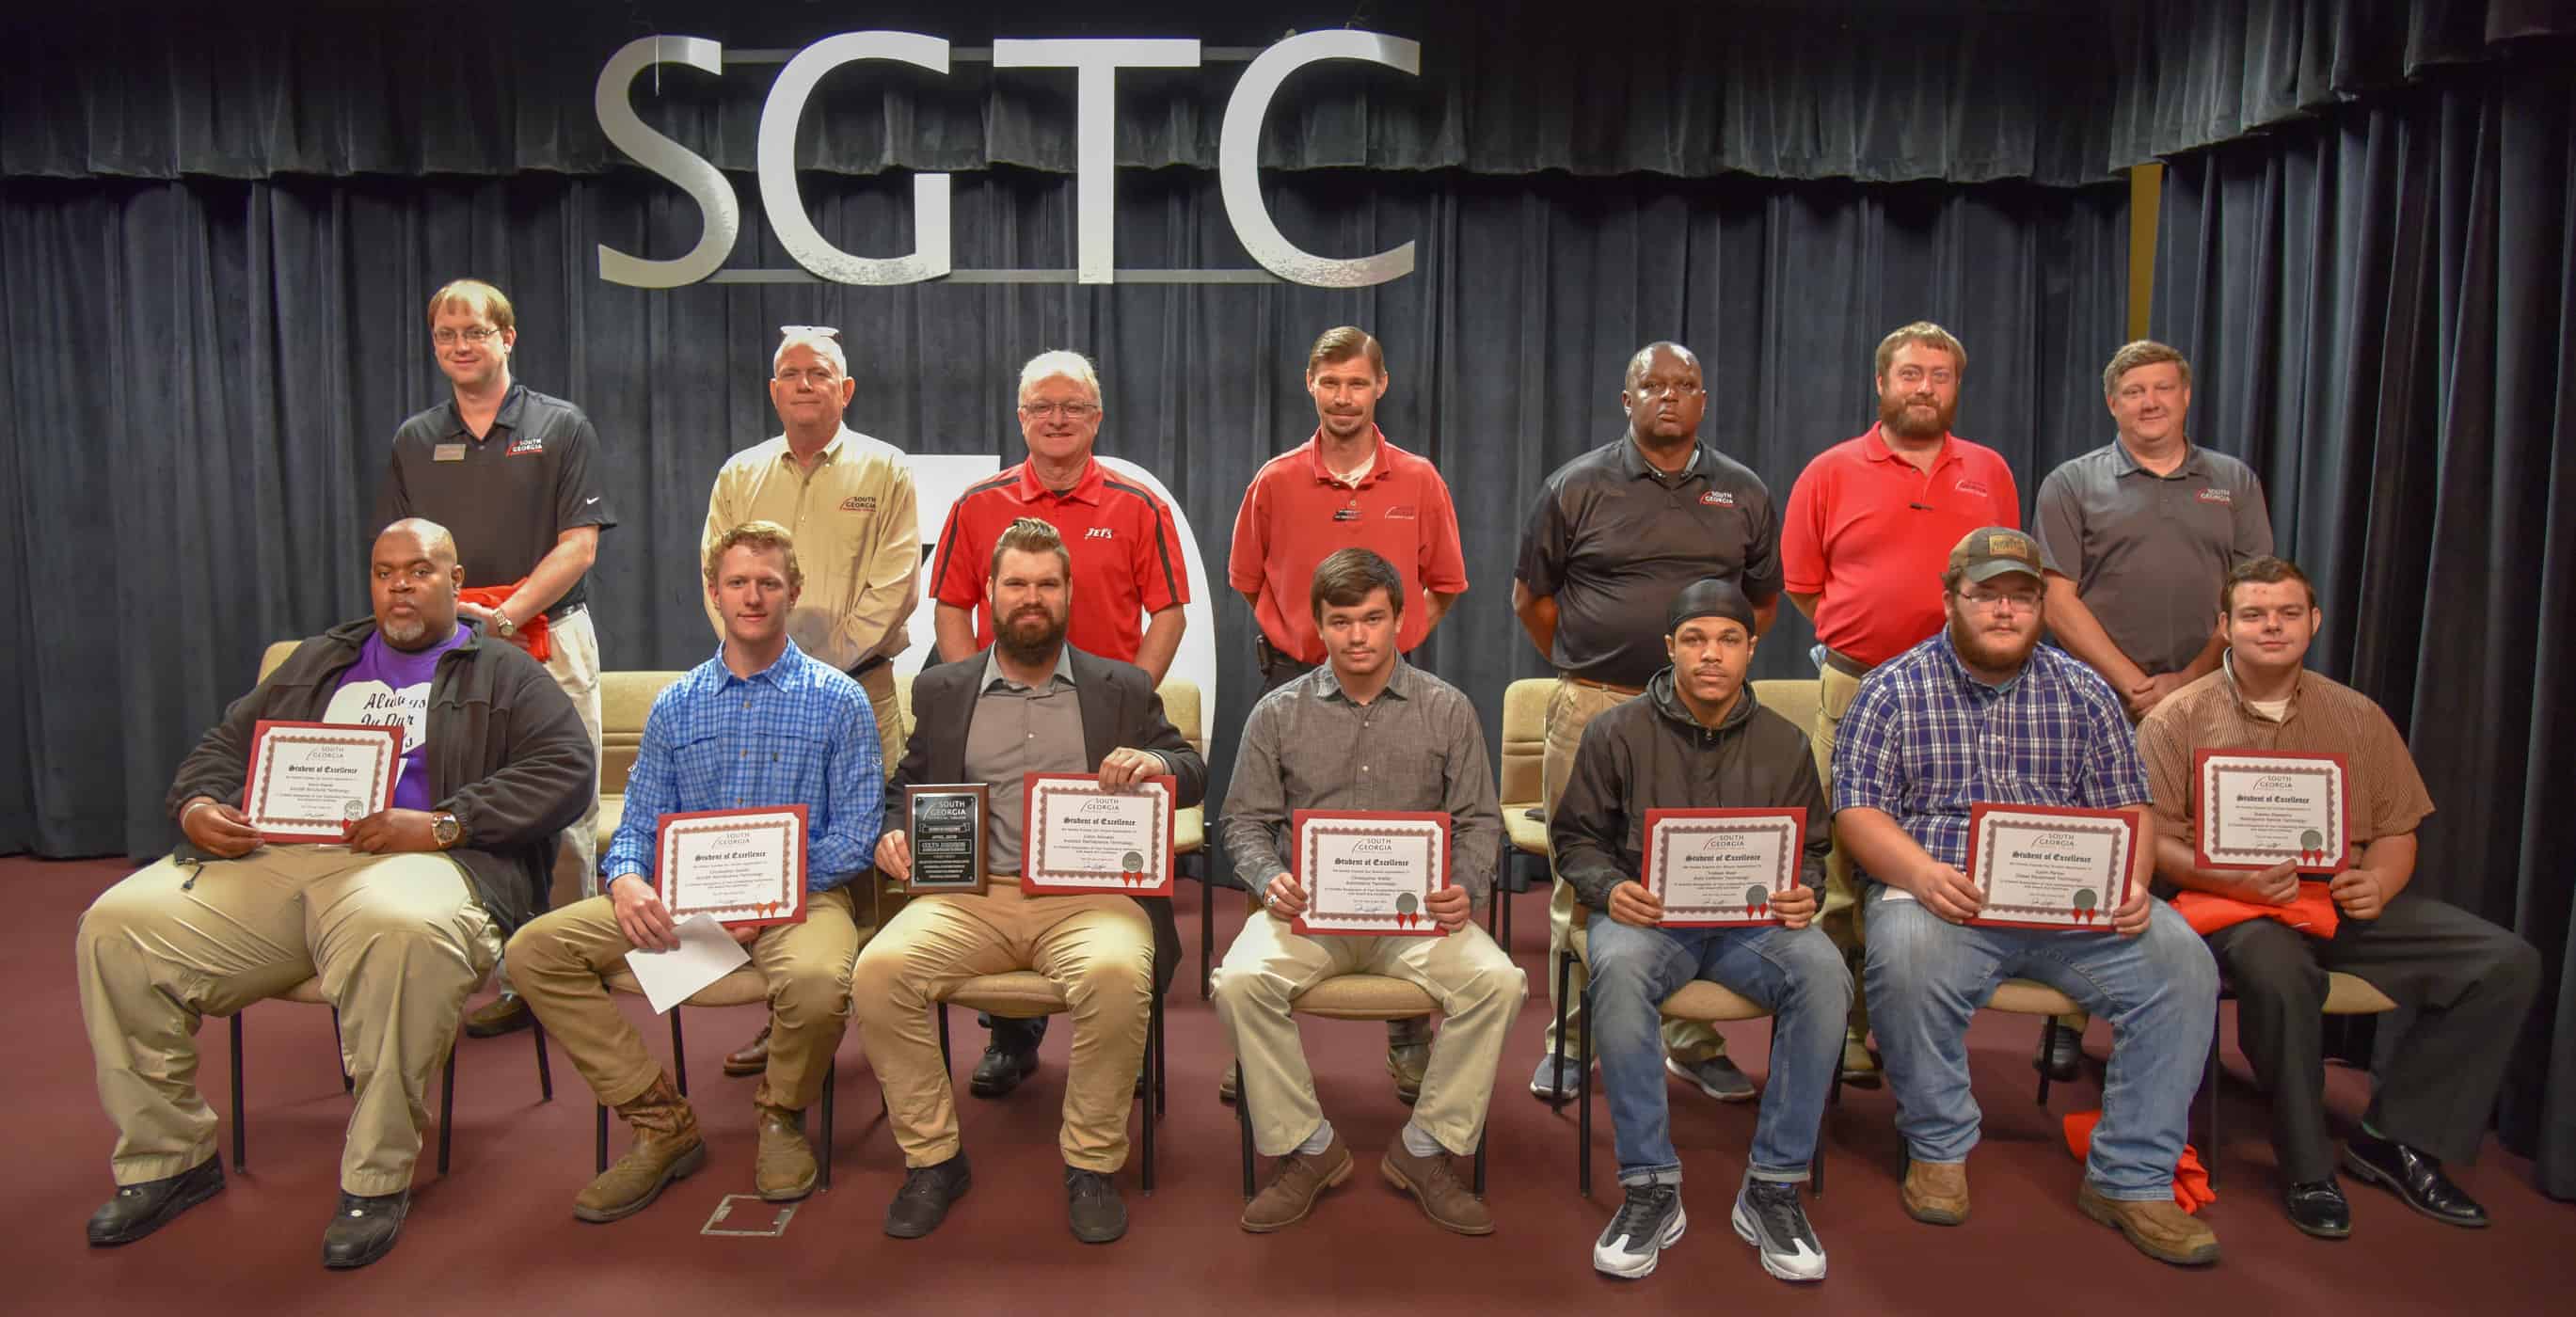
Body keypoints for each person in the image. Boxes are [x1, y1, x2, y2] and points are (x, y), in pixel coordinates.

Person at [76, 519, 593, 1269]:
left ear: (456, 580)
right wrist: (197, 806)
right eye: (385, 573)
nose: (401, 586)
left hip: (427, 863)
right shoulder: (321, 660)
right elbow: (224, 746)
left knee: (397, 929)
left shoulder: (501, 671)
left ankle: (376, 1177)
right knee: (117, 924)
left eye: (419, 571)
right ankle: (168, 1158)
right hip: (279, 859)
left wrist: (447, 822)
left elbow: (566, 771)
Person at [1834, 526, 2220, 1266]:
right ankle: (1939, 1148)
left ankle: (2132, 1178)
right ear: (1951, 599)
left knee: (2183, 964)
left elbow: (2128, 807)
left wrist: (2132, 883)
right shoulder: (1893, 687)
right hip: (1948, 892)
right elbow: (1859, 811)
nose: (2005, 611)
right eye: (1987, 595)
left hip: (2073, 904)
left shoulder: (2084, 691)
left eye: (2022, 597)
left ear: (2041, 606)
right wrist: (1918, 873)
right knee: (1905, 953)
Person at [2138, 555, 2539, 1238]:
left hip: (2338, 897)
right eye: (2256, 614)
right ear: (2225, 626)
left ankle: (2395, 1138)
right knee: (2276, 969)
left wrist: (2379, 882)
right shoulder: (2177, 719)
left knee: (2505, 962)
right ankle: (2307, 1166)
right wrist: (2227, 878)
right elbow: (2152, 841)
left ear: (2313, 623)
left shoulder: (2357, 716)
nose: (2273, 626)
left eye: (2288, 613)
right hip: (2232, 905)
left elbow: (2397, 829)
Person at [507, 521, 884, 1221]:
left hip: (801, 901)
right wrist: (626, 879)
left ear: (793, 593)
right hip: (688, 906)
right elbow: (639, 824)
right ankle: (661, 1124)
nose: (752, 596)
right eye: (737, 582)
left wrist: (770, 898)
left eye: (768, 583)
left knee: (815, 980)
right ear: (714, 594)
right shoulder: (677, 705)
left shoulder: (840, 699)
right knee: (536, 951)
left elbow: (857, 835)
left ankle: (779, 1115)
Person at [854, 517, 1207, 1244]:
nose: (1031, 598)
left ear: (1071, 592)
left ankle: (1090, 1162)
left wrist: (1159, 766)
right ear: (988, 594)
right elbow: (909, 782)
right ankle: (933, 1159)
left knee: (1116, 973)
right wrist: (891, 829)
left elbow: (1193, 771)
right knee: (879, 970)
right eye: (1016, 583)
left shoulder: (1122, 686)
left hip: (1090, 898)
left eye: (1048, 583)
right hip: (972, 897)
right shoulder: (944, 688)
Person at [1212, 548, 1522, 1236]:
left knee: (1499, 982)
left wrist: (1465, 888)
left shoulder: (1447, 710)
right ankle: (1308, 1147)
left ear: (1400, 621)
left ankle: (1425, 1147)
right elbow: (1243, 821)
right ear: (1317, 627)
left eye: (1374, 619)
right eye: (1342, 621)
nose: (1358, 636)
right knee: (1237, 982)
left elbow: (1478, 820)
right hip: (1307, 917)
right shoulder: (1276, 713)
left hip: (1415, 921)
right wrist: (1269, 878)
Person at [1554, 578, 1848, 1283]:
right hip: (1651, 923)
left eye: (1726, 640)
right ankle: (1650, 1184)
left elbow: (1812, 848)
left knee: (1824, 972)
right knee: (1617, 972)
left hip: (1752, 930)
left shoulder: (1783, 743)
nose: (1710, 655)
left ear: (1751, 648)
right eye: (1694, 640)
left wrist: (1804, 891)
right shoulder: (1614, 732)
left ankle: (1774, 1185)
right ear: (1670, 648)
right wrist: (1609, 888)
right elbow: (1575, 841)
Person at [1514, 341, 1783, 1105]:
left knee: (1699, 874)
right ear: (1625, 400)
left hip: (1709, 716)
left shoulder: (1744, 491)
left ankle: (1690, 1039)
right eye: (1652, 385)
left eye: (1685, 386)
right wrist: (1591, 663)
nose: (1669, 397)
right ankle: (1574, 1040)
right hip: (1595, 701)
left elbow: (1758, 605)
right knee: (1583, 874)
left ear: (1704, 400)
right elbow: (1533, 601)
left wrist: (1703, 673)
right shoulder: (1576, 485)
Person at [925, 350, 1193, 1090]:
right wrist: (968, 693)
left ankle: (1128, 1031)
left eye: (1072, 406)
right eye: (1042, 406)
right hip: (1002, 714)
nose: (1057, 419)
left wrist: (1126, 698)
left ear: (1096, 417)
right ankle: (1013, 1036)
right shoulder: (977, 505)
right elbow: (951, 604)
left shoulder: (1139, 506)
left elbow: (1168, 610)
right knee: (1001, 873)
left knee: (1123, 883)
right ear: (1021, 418)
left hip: (1101, 725)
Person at [1223, 325, 1471, 1103]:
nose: (1343, 398)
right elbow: (1246, 578)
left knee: (1403, 834)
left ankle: (1408, 1035)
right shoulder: (1276, 479)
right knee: (1267, 840)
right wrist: (1296, 639)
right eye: (1330, 384)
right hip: (1295, 679)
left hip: (1392, 678)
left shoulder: (1421, 479)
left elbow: (1447, 581)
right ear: (1311, 386)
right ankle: (1256, 1039)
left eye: (1356, 384)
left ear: (1380, 387)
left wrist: (1392, 643)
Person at [2026, 339, 2277, 1080]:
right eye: (2135, 392)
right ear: (2113, 403)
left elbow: (2253, 591)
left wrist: (2190, 679)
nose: (2150, 402)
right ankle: (2065, 1016)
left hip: (2208, 699)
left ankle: (2189, 1021)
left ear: (2185, 396)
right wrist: (2133, 682)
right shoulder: (2073, 482)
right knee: (2086, 849)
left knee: (2186, 848)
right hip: (2095, 700)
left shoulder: (2232, 481)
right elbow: (2056, 594)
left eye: (2163, 389)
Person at [1780, 321, 2023, 1087]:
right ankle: (1842, 1028)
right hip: (1858, 686)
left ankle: (1915, 1022)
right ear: (1881, 385)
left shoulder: (1990, 470)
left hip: (1967, 697)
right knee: (1843, 864)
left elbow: (2007, 579)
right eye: (1911, 374)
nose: (1925, 387)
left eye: (1941, 375)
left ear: (1957, 387)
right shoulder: (1829, 470)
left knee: (1944, 856)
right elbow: (1800, 583)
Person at [379, 278, 616, 1040]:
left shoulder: (560, 425)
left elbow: (579, 546)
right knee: (455, 798)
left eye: (473, 332)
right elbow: (400, 552)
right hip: (446, 650)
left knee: (564, 804)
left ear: (506, 337)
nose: (459, 345)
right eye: (445, 334)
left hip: (545, 634)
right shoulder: (416, 438)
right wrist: (453, 618)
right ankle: (465, 955)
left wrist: (506, 615)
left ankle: (555, 964)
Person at [702, 325, 920, 1079]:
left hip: (861, 688)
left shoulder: (884, 468)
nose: (803, 384)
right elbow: (718, 581)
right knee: (773, 844)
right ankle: (792, 1018)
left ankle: (889, 1023)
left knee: (875, 854)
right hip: (756, 697)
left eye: (819, 373)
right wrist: (763, 663)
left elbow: (894, 587)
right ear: (773, 390)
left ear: (844, 389)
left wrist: (812, 674)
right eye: (790, 373)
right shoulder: (739, 473)